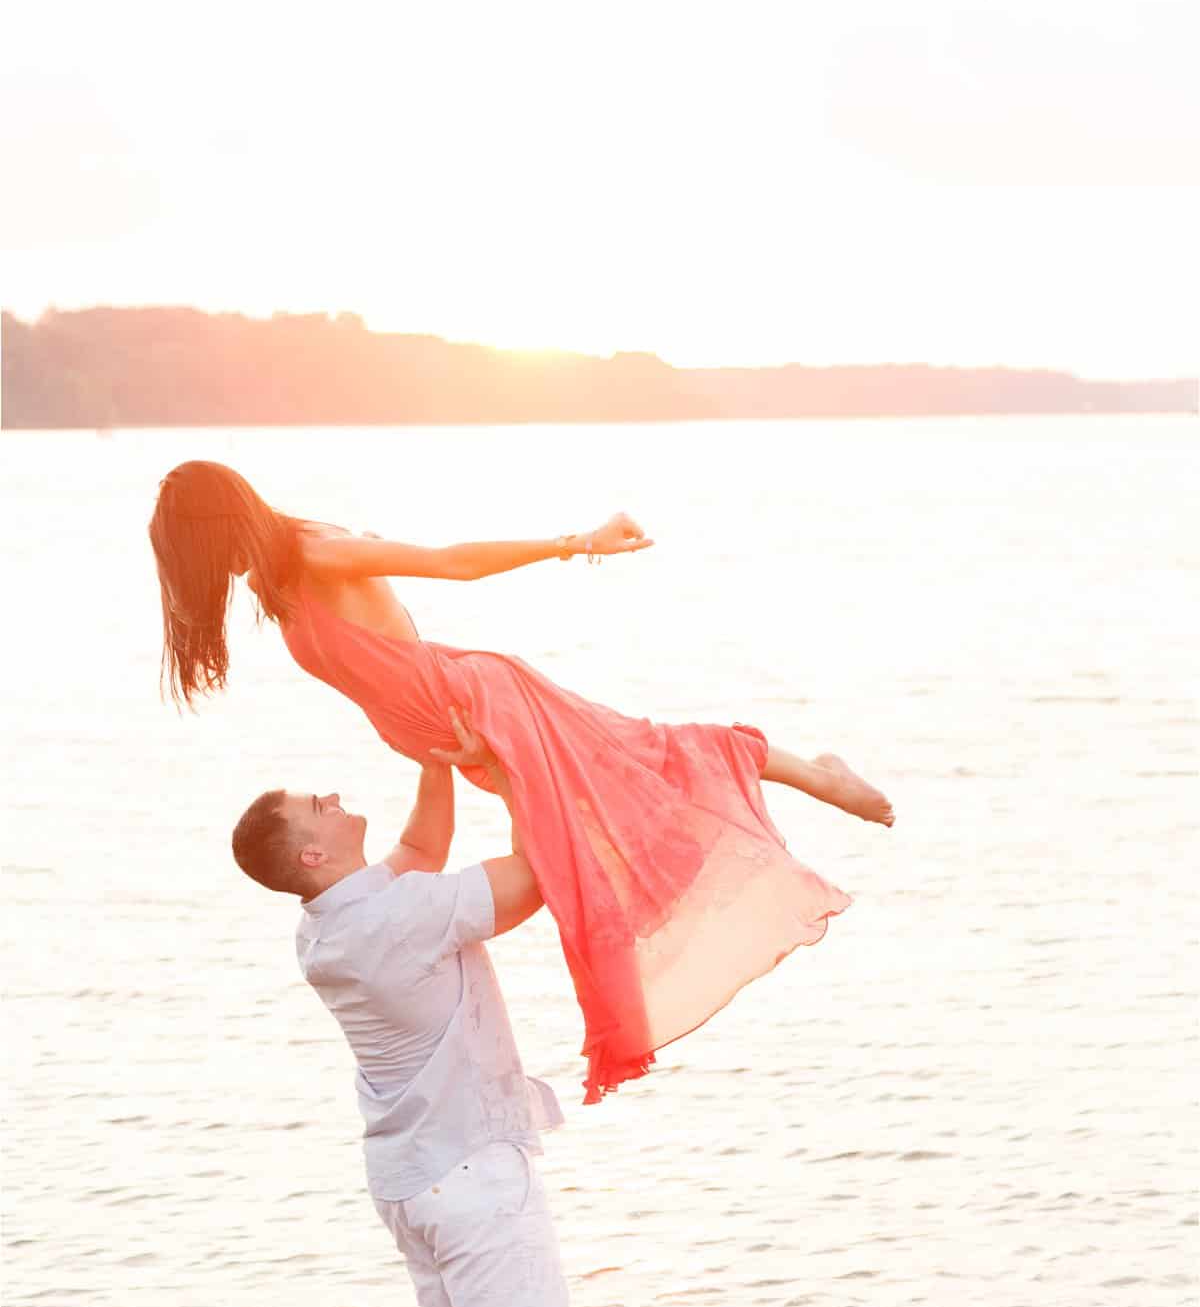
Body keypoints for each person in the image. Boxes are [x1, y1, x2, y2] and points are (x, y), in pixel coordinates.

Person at [154, 460, 892, 1104]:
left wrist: (577, 543)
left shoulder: (315, 551)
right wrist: (429, 747)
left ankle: (817, 774)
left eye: (191, 552)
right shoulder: (277, 585)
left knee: (634, 766)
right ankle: (801, 782)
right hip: (449, 734)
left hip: (483, 705)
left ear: (218, 525)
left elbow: (449, 563)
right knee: (602, 812)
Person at [230, 719, 570, 1307]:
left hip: (411, 1181)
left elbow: (425, 844)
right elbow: (534, 879)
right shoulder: (396, 920)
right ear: (311, 854)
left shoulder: (329, 925)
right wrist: (528, 773)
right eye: (321, 805)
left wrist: (435, 756)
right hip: (473, 1173)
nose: (337, 799)